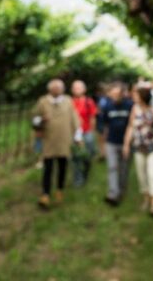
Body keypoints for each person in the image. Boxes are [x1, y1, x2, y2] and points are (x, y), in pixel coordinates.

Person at [123, 85, 153, 217]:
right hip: (139, 148)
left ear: (143, 97)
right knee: (142, 176)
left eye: (136, 94)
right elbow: (130, 127)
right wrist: (126, 144)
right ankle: (146, 199)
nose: (133, 96)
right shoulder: (135, 110)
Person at [32, 79, 80, 210]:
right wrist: (41, 120)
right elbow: (34, 118)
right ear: (50, 90)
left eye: (60, 88)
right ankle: (45, 194)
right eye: (55, 88)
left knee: (62, 166)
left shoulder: (68, 101)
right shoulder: (43, 101)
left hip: (64, 140)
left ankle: (59, 189)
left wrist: (77, 135)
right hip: (49, 140)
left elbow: (74, 118)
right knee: (48, 168)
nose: (58, 90)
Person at [101, 82, 133, 205]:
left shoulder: (130, 105)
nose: (115, 96)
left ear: (123, 94)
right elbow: (105, 126)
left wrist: (128, 142)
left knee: (124, 169)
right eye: (113, 94)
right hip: (111, 142)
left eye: (118, 94)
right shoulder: (107, 107)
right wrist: (103, 144)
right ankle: (113, 193)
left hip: (126, 143)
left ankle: (122, 190)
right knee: (112, 167)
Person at [71, 80, 98, 187]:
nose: (77, 90)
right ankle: (78, 180)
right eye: (75, 87)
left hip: (86, 132)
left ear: (84, 89)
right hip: (74, 134)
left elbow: (92, 117)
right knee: (76, 157)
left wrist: (92, 131)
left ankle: (85, 174)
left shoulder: (88, 101)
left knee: (87, 156)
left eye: (79, 87)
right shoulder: (69, 102)